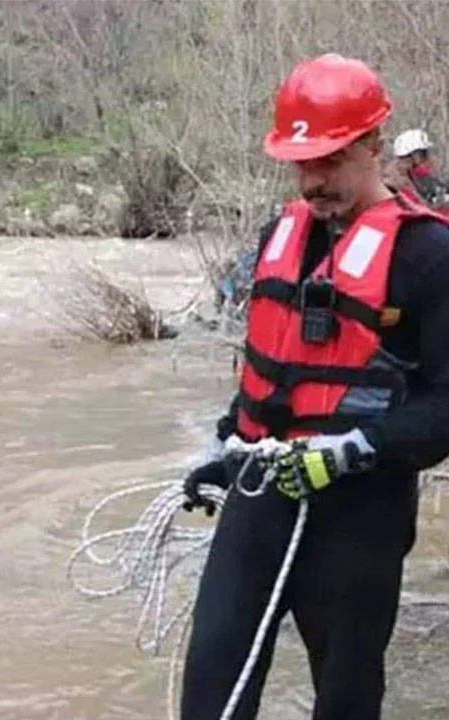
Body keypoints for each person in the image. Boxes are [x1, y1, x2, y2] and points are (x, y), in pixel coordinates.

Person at [179, 53, 449, 720]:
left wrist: (354, 449)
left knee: (345, 700)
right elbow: (276, 368)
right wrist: (226, 444)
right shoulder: (281, 235)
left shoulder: (429, 256)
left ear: (374, 147)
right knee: (211, 691)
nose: (312, 181)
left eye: (329, 161)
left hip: (360, 515)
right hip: (261, 492)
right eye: (300, 163)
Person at [385, 128, 449, 209]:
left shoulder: (411, 171)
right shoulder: (398, 176)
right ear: (414, 154)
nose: (425, 157)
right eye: (422, 153)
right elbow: (417, 205)